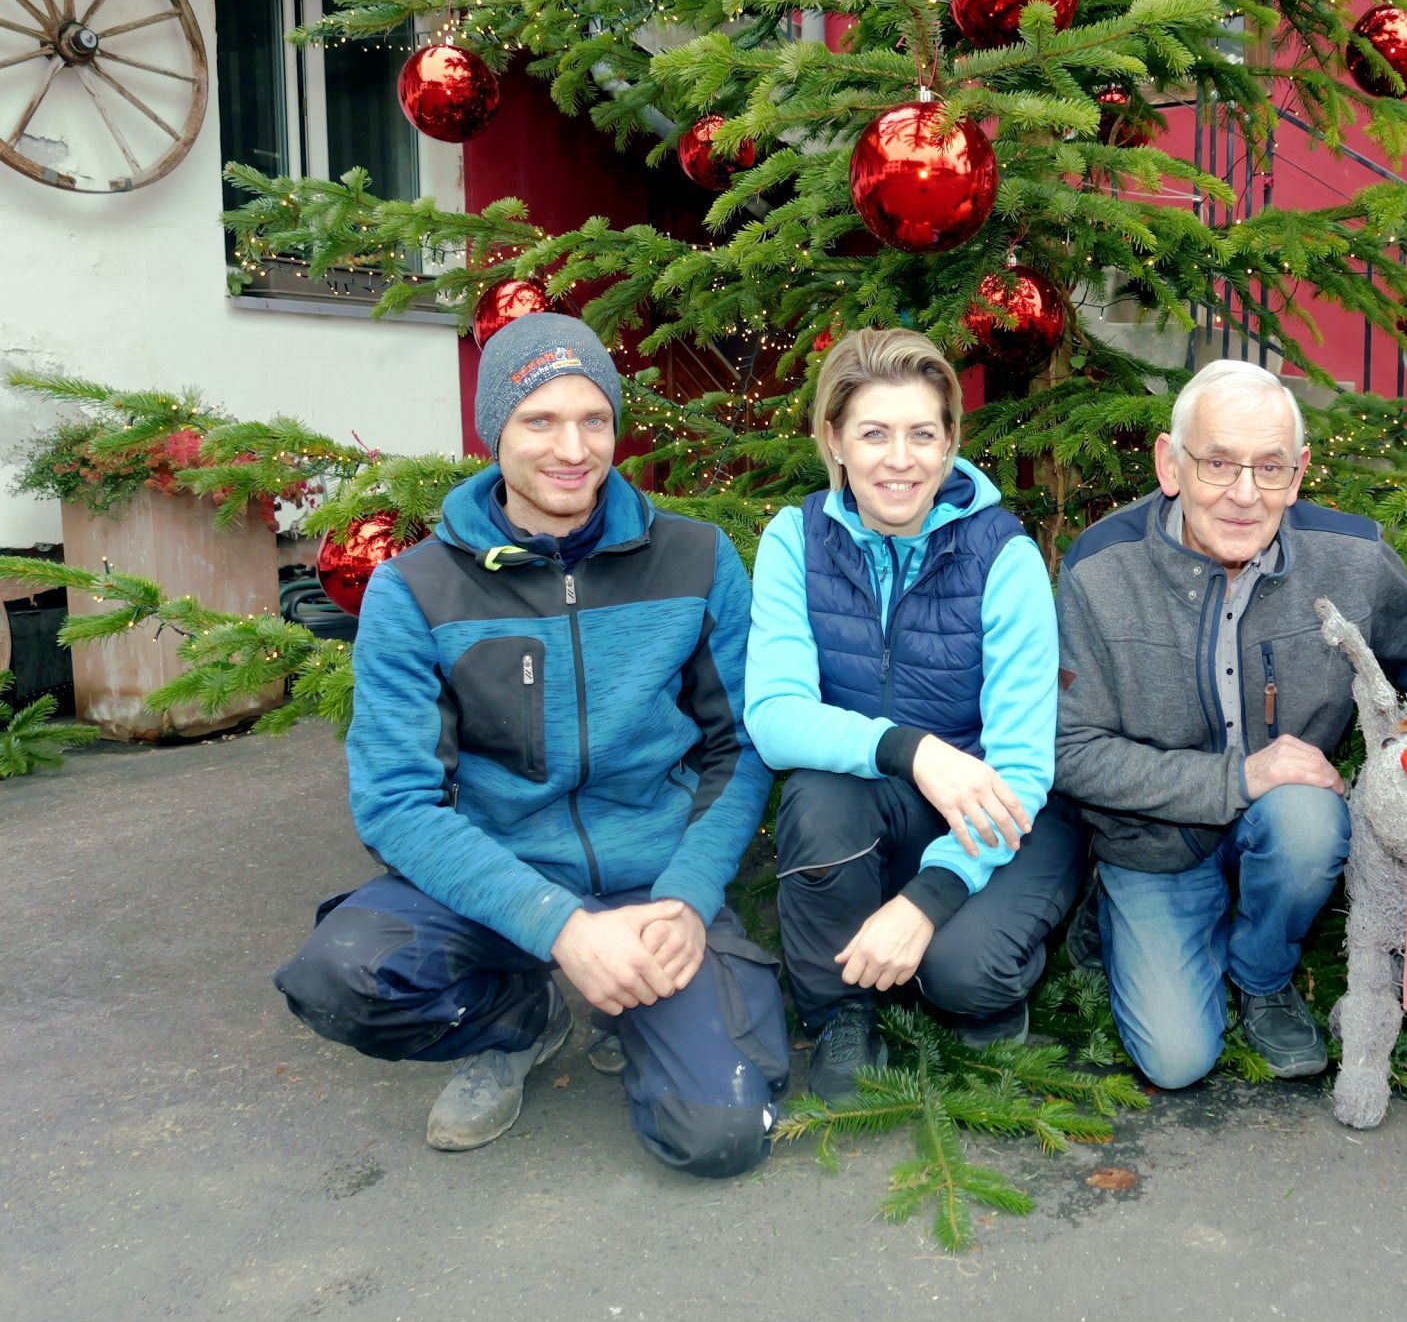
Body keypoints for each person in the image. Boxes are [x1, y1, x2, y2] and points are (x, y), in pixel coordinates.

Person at [274, 313, 787, 1178]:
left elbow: (741, 747)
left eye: (593, 418)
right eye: (539, 420)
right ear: (494, 430)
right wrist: (559, 928)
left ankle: (642, 1012)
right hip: (497, 887)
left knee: (723, 1132)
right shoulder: (415, 591)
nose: (572, 448)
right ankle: (525, 1017)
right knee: (341, 974)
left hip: (653, 890)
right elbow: (397, 803)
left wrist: (689, 896)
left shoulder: (697, 559)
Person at [1055, 359, 1407, 1090]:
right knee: (1178, 1062)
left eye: (1269, 468)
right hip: (1151, 839)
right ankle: (1115, 912)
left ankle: (1264, 976)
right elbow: (1071, 750)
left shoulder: (1353, 558)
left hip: (1284, 822)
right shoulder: (1099, 571)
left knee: (1308, 820)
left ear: (1299, 474)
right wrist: (1239, 775)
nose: (1245, 494)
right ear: (1170, 465)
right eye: (1218, 463)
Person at [745, 329, 1085, 1101]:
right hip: (879, 802)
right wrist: (913, 749)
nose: (899, 458)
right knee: (816, 790)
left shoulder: (1005, 556)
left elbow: (1024, 771)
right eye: (873, 432)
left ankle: (963, 966)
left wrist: (926, 901)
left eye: (921, 434)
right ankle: (842, 1013)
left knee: (964, 975)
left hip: (1005, 817)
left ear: (949, 443)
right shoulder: (794, 539)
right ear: (833, 440)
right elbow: (773, 713)